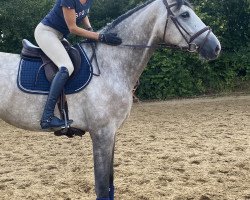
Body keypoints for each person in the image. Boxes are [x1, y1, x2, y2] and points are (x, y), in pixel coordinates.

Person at [34, 0, 122, 129]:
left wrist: (90, 30)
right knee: (66, 67)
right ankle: (47, 117)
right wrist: (99, 36)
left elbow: (83, 13)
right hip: (46, 32)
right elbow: (73, 28)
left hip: (59, 35)